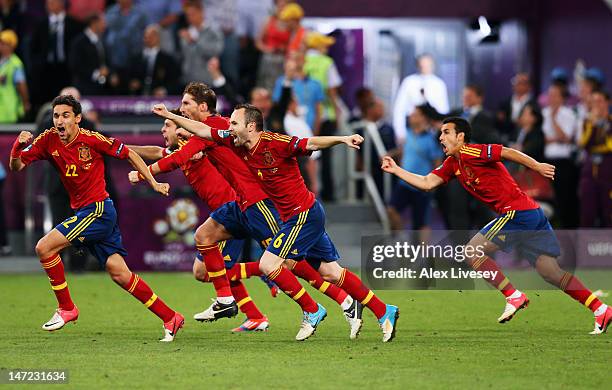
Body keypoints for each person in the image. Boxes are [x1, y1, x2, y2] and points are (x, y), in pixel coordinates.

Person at [153, 102, 400, 342]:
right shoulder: (235, 141)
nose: (229, 126)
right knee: (331, 273)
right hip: (293, 215)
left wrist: (343, 139)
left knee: (269, 264)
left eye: (234, 122)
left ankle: (312, 310)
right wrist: (172, 116)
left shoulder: (276, 142)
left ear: (250, 127)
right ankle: (383, 310)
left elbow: (311, 142)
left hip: (303, 214)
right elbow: (205, 130)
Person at [381, 117, 611, 334]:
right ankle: (601, 310)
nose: (440, 137)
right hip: (530, 214)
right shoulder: (452, 164)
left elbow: (507, 152)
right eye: (440, 133)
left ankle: (513, 296)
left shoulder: (473, 151)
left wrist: (537, 166)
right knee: (551, 272)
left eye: (446, 132)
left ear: (461, 137)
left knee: (471, 251)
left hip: (518, 213)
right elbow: (427, 182)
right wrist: (396, 170)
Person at [8, 95, 184, 341]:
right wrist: (16, 149)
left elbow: (130, 154)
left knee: (44, 248)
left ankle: (67, 308)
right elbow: (17, 167)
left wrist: (153, 182)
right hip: (86, 212)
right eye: (56, 116)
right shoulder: (48, 140)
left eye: (65, 115)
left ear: (78, 119)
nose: (59, 120)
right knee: (119, 272)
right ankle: (170, 317)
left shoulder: (91, 139)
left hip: (98, 211)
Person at [128, 109, 270, 332]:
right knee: (216, 270)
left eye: (168, 125)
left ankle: (264, 270)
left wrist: (143, 174)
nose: (163, 130)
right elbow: (157, 151)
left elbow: (186, 154)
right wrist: (124, 149)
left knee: (206, 272)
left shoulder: (196, 146)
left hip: (231, 213)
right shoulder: (182, 148)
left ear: (182, 127)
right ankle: (255, 315)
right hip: (222, 213)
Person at [387, 104, 442, 234]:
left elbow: (438, 163)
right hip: (404, 183)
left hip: (421, 185)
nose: (411, 116)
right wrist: (390, 155)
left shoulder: (431, 139)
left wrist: (434, 185)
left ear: (423, 118)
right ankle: (401, 243)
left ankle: (422, 253)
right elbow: (404, 150)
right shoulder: (408, 134)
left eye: (415, 114)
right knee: (391, 210)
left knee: (421, 223)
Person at [393, 54, 449, 143]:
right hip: (411, 130)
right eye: (422, 64)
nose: (424, 67)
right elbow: (399, 108)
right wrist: (400, 132)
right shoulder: (409, 82)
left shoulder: (439, 84)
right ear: (418, 65)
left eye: (427, 64)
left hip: (432, 131)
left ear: (432, 65)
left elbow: (443, 109)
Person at [578, 90, 612, 227]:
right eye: (593, 102)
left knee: (608, 212)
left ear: (607, 103)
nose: (597, 105)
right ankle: (583, 246)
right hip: (589, 173)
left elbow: (610, 146)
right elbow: (583, 144)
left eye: (600, 101)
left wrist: (594, 148)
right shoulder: (588, 122)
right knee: (587, 213)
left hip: (608, 173)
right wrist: (593, 125)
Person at [127, 24, 181, 96]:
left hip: (160, 101)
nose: (149, 38)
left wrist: (164, 90)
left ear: (158, 37)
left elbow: (175, 81)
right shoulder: (136, 59)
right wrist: (132, 83)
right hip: (138, 99)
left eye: (152, 35)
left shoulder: (168, 60)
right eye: (146, 36)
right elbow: (128, 76)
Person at [0, 29, 29, 123]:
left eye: (4, 43)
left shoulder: (15, 64)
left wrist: (25, 103)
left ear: (11, 45)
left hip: (9, 109)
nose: (1, 46)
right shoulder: (2, 61)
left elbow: (21, 85)